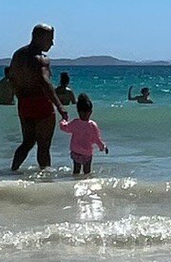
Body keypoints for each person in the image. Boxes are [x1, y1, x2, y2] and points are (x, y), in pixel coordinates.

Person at [9, 24, 68, 171]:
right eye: (50, 39)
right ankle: (45, 178)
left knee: (27, 142)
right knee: (44, 145)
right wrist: (60, 106)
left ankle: (13, 170)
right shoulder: (42, 59)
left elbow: (12, 78)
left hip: (24, 103)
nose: (52, 43)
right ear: (39, 38)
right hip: (41, 103)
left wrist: (18, 95)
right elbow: (44, 82)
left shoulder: (18, 55)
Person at [59, 93, 107, 176]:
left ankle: (74, 182)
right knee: (87, 172)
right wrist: (103, 147)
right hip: (87, 153)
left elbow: (65, 127)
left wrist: (63, 120)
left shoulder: (75, 123)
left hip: (76, 152)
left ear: (78, 111)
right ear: (91, 112)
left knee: (76, 170)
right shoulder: (92, 125)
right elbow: (97, 139)